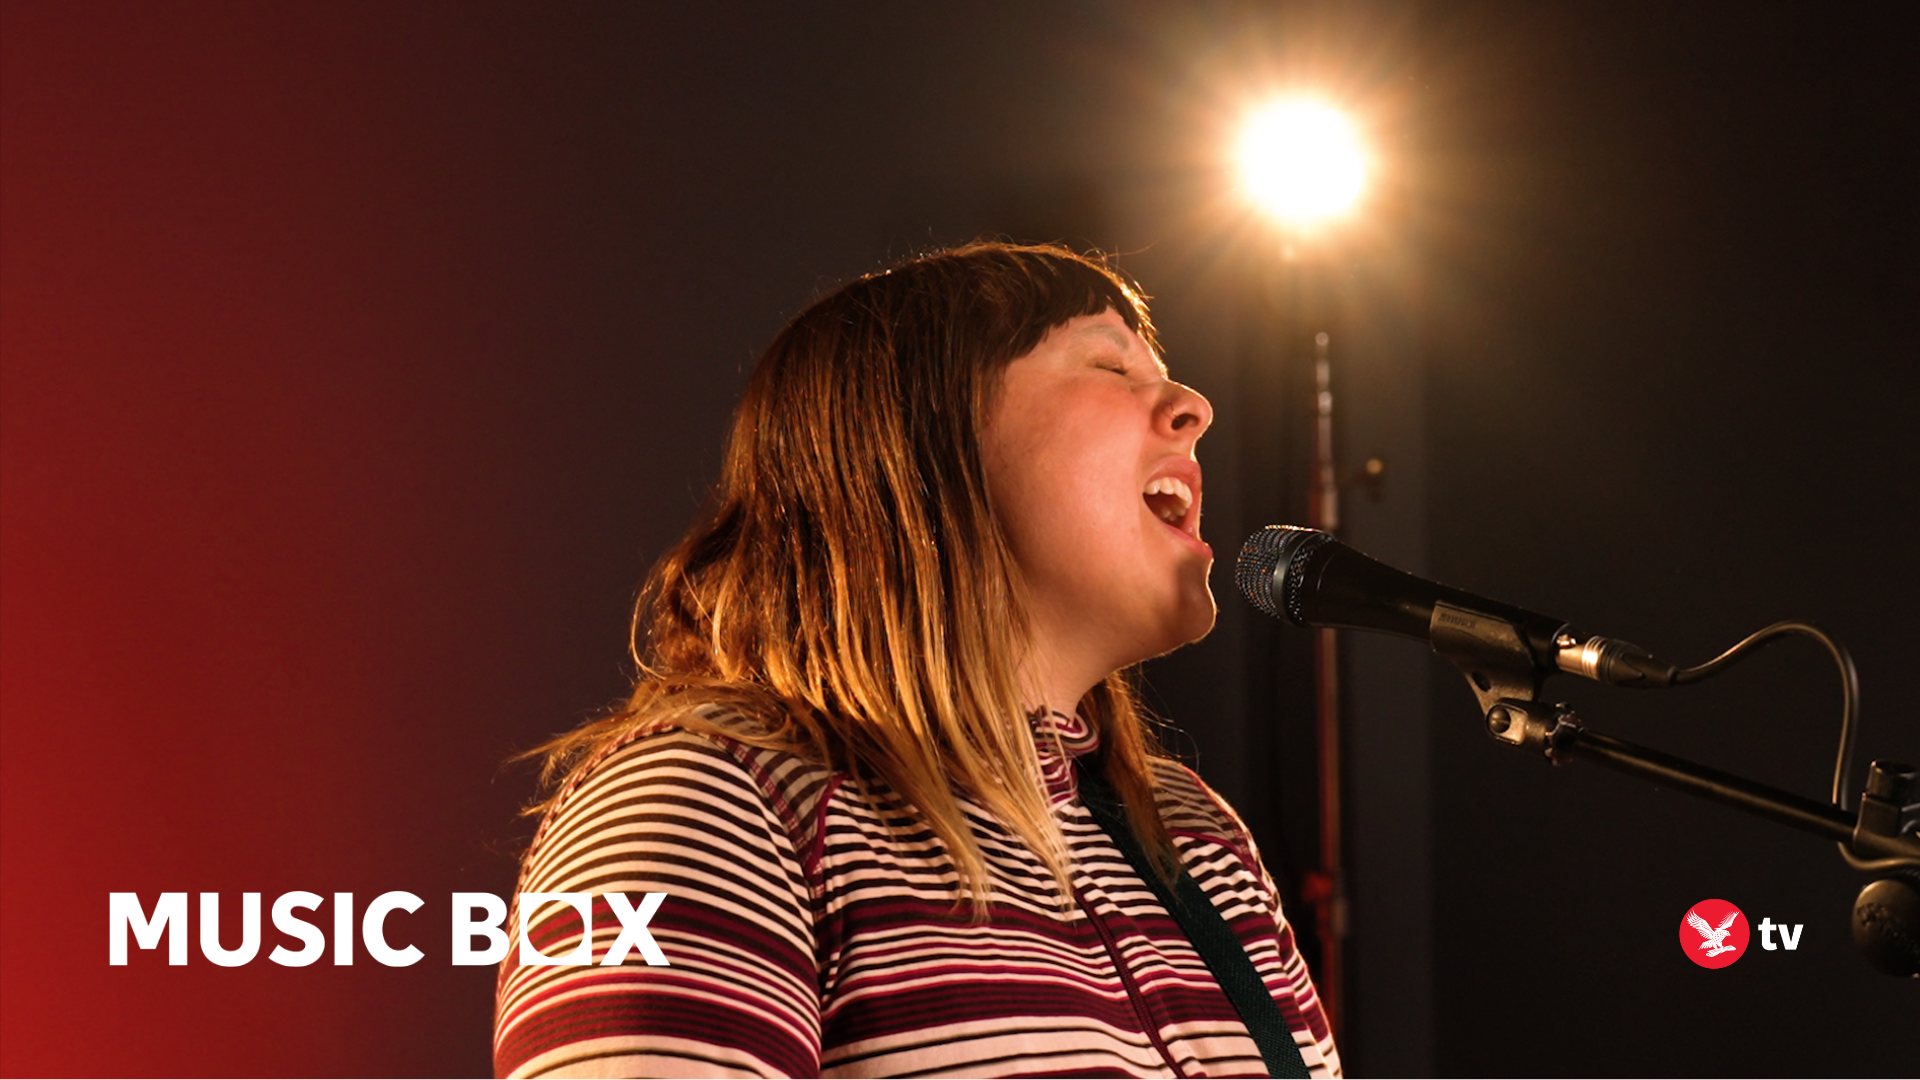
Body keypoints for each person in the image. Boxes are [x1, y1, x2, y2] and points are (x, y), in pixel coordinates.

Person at [493, 242, 1340, 1079]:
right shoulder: (705, 799)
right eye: (1111, 368)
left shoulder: (1201, 841)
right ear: (926, 444)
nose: (1193, 405)